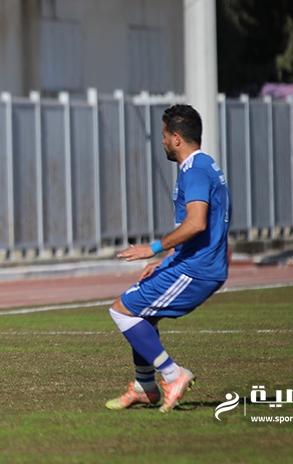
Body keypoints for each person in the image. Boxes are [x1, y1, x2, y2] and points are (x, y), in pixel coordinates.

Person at [106, 104, 231, 413]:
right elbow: (199, 228)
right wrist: (165, 261)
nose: (162, 141)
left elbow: (196, 223)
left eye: (164, 135)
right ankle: (144, 387)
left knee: (122, 311)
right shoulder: (202, 166)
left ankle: (174, 375)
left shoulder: (195, 171)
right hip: (191, 262)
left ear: (176, 138)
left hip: (197, 268)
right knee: (143, 316)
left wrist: (153, 248)